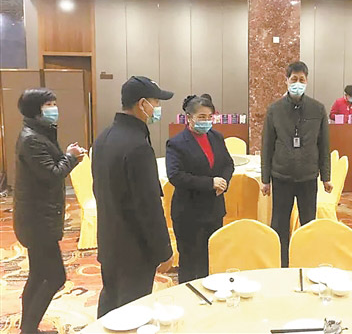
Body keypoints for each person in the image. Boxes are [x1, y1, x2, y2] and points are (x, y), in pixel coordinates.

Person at [92, 76, 173, 318]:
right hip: (134, 249)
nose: (158, 108)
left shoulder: (104, 137)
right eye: (156, 102)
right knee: (132, 312)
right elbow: (148, 206)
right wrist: (164, 250)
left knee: (110, 300)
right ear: (142, 104)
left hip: (109, 239)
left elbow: (99, 190)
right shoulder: (138, 146)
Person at [14, 88, 86, 334]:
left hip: (37, 217)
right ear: (36, 110)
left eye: (54, 103)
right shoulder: (32, 138)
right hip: (38, 221)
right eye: (49, 105)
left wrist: (67, 155)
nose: (54, 109)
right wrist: (71, 157)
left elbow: (49, 166)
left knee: (37, 275)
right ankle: (28, 329)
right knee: (55, 277)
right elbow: (52, 174)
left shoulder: (39, 133)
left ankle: (28, 328)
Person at [261, 61, 333, 267]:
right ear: (286, 80)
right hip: (281, 176)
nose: (298, 83)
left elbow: (324, 145)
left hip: (308, 176)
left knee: (308, 223)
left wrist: (326, 177)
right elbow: (267, 146)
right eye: (294, 79)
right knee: (279, 224)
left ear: (307, 81)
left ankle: (307, 262)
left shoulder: (318, 109)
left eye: (302, 79)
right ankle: (281, 264)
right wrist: (265, 179)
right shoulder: (274, 110)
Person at [166, 95, 234, 283]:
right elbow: (175, 175)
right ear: (189, 117)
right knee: (189, 261)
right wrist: (210, 183)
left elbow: (228, 164)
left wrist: (224, 182)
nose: (206, 121)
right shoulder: (177, 143)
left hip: (213, 209)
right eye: (201, 117)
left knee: (209, 258)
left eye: (209, 117)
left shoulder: (216, 137)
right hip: (188, 212)